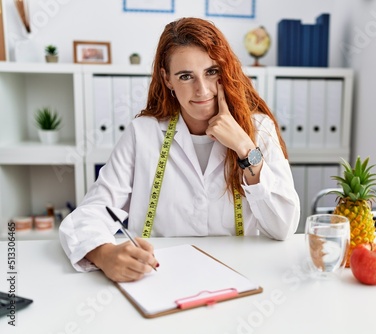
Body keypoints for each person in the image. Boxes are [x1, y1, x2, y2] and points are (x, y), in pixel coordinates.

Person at [59, 17, 300, 282]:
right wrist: (104, 255)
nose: (202, 89)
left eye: (212, 71)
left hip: (239, 278)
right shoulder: (143, 133)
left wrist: (245, 148)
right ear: (167, 79)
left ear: (226, 69)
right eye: (186, 76)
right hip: (160, 280)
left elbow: (284, 227)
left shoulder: (258, 129)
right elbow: (90, 213)